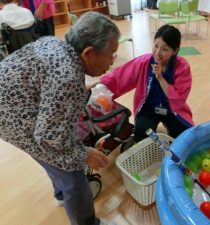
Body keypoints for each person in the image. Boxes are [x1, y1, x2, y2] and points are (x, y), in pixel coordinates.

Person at [0, 12, 120, 225]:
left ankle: (60, 194)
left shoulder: (54, 43)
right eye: (111, 53)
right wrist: (83, 152)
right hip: (13, 117)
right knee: (73, 172)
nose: (113, 60)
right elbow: (48, 138)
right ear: (89, 52)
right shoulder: (68, 77)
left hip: (9, 109)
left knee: (50, 156)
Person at [94, 24, 194, 141]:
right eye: (156, 45)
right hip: (148, 109)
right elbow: (123, 74)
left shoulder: (182, 67)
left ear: (175, 51)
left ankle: (171, 127)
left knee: (185, 135)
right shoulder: (145, 62)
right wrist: (102, 84)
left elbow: (179, 98)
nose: (158, 52)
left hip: (173, 110)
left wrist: (161, 79)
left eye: (165, 49)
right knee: (142, 133)